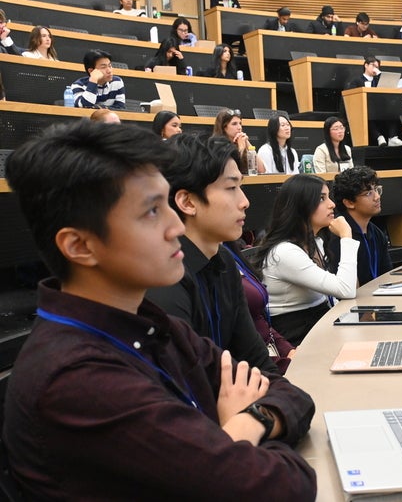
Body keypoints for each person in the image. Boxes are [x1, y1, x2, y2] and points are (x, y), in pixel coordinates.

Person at [3, 121, 316, 500]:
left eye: (167, 204)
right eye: (152, 212)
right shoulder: (79, 381)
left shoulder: (153, 327)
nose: (174, 226)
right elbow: (283, 486)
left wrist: (246, 424)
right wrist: (232, 433)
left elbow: (292, 395)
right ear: (80, 246)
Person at [147, 134, 283, 376]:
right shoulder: (163, 280)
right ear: (187, 202)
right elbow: (190, 383)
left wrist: (281, 405)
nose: (245, 202)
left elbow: (257, 361)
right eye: (231, 188)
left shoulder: (224, 262)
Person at [255, 174, 359, 344]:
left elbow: (348, 287)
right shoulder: (284, 252)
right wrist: (346, 236)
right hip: (295, 337)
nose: (332, 204)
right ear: (300, 206)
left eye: (329, 197)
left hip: (318, 325)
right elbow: (346, 290)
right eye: (321, 198)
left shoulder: (315, 241)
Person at [223, 240, 296, 374]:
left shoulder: (228, 254)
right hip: (254, 369)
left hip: (271, 356)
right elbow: (344, 288)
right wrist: (345, 236)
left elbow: (258, 318)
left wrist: (287, 350)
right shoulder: (285, 251)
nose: (244, 217)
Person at [329, 166, 392, 286]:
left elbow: (387, 277)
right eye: (368, 193)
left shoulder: (377, 233)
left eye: (376, 190)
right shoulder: (338, 234)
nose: (377, 197)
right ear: (349, 202)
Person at [347, 56, 402, 147]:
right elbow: (352, 95)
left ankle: (392, 137)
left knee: (394, 109)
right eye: (373, 65)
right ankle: (379, 137)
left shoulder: (378, 81)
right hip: (364, 106)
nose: (375, 68)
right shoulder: (357, 81)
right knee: (369, 111)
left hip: (380, 106)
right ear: (366, 65)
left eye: (377, 67)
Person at [212, 108, 266, 174]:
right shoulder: (216, 145)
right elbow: (229, 171)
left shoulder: (242, 142)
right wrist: (241, 149)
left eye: (240, 123)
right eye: (234, 124)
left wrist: (247, 143)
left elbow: (261, 170)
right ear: (224, 127)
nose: (239, 127)